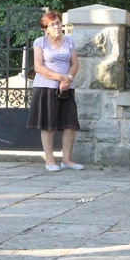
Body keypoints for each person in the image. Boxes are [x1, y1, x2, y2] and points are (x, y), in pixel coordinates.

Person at [27, 11, 83, 172]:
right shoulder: (40, 42)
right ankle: (50, 161)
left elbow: (75, 64)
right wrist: (60, 78)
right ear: (45, 28)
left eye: (58, 23)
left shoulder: (69, 41)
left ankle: (67, 160)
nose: (57, 26)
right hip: (45, 87)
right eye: (52, 24)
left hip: (66, 88)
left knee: (70, 124)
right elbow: (38, 67)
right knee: (48, 125)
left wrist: (68, 78)